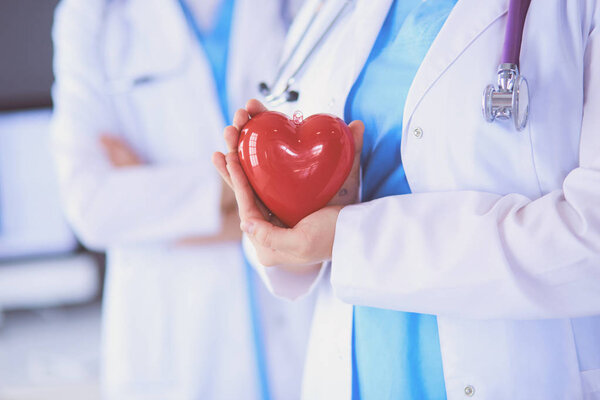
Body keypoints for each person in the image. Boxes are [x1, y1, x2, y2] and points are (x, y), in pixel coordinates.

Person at [214, 0, 600, 398]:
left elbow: (592, 244)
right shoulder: (334, 9)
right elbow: (316, 237)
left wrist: (348, 240)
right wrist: (286, 233)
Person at [51, 0, 314, 399]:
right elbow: (93, 207)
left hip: (299, 332)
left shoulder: (298, 8)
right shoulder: (91, 16)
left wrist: (154, 203)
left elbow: (327, 180)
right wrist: (268, 196)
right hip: (174, 347)